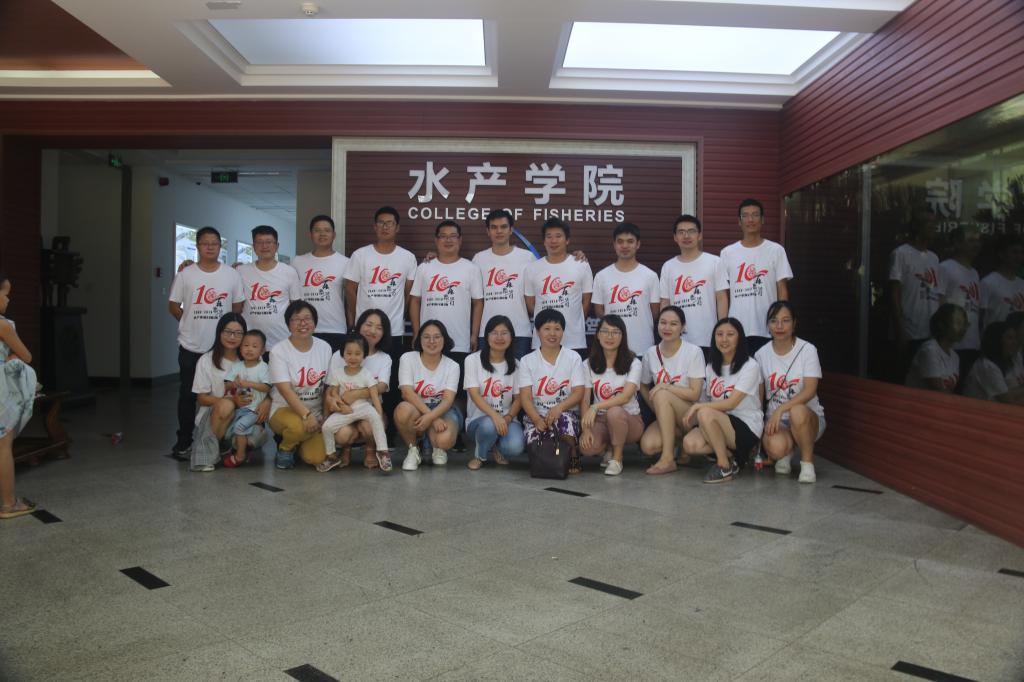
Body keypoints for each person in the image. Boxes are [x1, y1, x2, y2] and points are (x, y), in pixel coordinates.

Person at [168, 226, 244, 459]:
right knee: (188, 395)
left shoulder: (231, 275)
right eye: (205, 243)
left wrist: (227, 334)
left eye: (214, 243)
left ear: (220, 247)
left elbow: (237, 307)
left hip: (222, 348)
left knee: (226, 394)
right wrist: (189, 322)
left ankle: (224, 439)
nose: (210, 247)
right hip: (191, 345)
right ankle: (184, 442)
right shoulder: (186, 274)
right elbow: (173, 305)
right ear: (198, 246)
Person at [681, 318, 764, 484]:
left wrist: (698, 407)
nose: (724, 339)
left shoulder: (750, 366)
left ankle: (723, 466)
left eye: (730, 334)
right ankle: (734, 458)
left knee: (704, 412)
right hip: (720, 420)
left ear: (739, 338)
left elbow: (731, 404)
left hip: (746, 424)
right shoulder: (711, 366)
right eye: (719, 334)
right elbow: (708, 398)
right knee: (690, 444)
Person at [754, 301, 826, 484]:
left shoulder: (807, 350)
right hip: (777, 422)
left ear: (794, 324)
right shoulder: (761, 354)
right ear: (768, 325)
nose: (779, 326)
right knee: (776, 448)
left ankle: (807, 463)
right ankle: (786, 452)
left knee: (797, 411)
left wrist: (781, 409)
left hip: (808, 419)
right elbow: (759, 397)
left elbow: (810, 390)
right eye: (774, 321)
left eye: (785, 320)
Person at [190, 315, 269, 471]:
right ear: (219, 332)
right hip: (214, 417)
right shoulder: (206, 360)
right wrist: (233, 401)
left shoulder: (253, 359)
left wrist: (267, 401)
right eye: (227, 332)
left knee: (257, 435)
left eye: (238, 333)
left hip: (242, 415)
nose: (232, 337)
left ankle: (229, 447)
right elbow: (202, 398)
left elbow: (268, 385)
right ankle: (212, 449)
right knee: (226, 405)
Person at [638, 306, 706, 475]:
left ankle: (667, 459)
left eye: (674, 324)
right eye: (663, 322)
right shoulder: (650, 353)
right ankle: (679, 442)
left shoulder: (694, 352)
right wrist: (657, 407)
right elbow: (643, 385)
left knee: (662, 393)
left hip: (691, 413)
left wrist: (666, 387)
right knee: (648, 446)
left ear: (683, 327)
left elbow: (695, 393)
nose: (667, 328)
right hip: (667, 412)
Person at [410, 220, 483, 376]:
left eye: (453, 236)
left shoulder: (471, 268)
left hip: (459, 342)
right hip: (428, 342)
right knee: (428, 386)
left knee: (457, 387)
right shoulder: (424, 267)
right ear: (436, 240)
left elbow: (478, 303)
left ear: (460, 240)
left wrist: (474, 335)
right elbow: (415, 301)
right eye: (443, 236)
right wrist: (417, 333)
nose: (448, 240)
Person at [719, 199, 793, 353]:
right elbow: (723, 295)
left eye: (755, 215)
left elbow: (782, 288)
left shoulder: (776, 250)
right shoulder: (727, 253)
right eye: (745, 216)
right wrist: (723, 326)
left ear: (763, 219)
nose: (750, 220)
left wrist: (781, 322)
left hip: (768, 328)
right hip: (736, 329)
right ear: (739, 221)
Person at [518, 309, 587, 473]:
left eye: (557, 329)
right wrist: (536, 419)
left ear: (563, 331)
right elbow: (525, 397)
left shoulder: (573, 358)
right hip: (537, 415)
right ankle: (548, 461)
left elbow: (578, 392)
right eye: (547, 329)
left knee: (565, 422)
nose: (552, 333)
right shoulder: (527, 361)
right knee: (537, 441)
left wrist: (559, 408)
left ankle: (573, 454)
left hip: (565, 412)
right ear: (537, 332)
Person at [268, 301, 333, 469]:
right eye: (296, 319)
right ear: (288, 324)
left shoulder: (325, 347)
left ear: (315, 322)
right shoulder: (278, 351)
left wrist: (325, 416)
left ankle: (298, 441)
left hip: (315, 414)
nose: (302, 323)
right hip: (284, 410)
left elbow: (327, 387)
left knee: (317, 458)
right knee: (298, 428)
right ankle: (286, 448)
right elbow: (285, 390)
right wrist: (306, 415)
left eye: (307, 318)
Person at [579, 315, 643, 476]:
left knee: (614, 412)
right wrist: (586, 430)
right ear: (597, 335)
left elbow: (625, 397)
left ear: (623, 336)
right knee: (587, 448)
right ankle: (608, 448)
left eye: (615, 332)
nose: (610, 336)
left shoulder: (633, 362)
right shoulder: (587, 364)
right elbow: (585, 399)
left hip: (629, 420)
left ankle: (617, 458)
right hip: (601, 420)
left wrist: (596, 406)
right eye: (605, 331)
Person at [332, 308, 394, 469]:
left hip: (369, 408)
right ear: (359, 325)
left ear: (384, 333)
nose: (372, 331)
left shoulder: (384, 358)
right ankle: (345, 449)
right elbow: (330, 388)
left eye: (379, 328)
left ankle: (370, 450)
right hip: (344, 409)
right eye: (368, 324)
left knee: (371, 425)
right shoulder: (340, 354)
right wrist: (336, 404)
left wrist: (356, 394)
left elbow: (382, 386)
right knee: (343, 434)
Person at [319, 335, 391, 473]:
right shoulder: (338, 373)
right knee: (326, 427)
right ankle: (332, 456)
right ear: (343, 354)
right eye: (349, 353)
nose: (353, 357)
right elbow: (333, 392)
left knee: (376, 418)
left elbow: (374, 395)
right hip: (345, 410)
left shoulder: (366, 374)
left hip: (363, 407)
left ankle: (383, 452)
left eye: (357, 354)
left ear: (364, 355)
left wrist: (379, 414)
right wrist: (340, 405)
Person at [396, 320, 462, 471]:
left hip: (442, 409)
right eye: (426, 337)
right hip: (416, 408)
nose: (431, 341)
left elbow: (448, 400)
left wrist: (431, 416)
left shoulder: (453, 366)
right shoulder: (408, 358)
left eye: (437, 337)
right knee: (403, 410)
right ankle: (413, 450)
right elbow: (406, 392)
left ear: (444, 339)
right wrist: (432, 417)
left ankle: (437, 447)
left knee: (445, 440)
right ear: (419, 339)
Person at [472, 209, 537, 359]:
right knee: (488, 374)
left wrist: (575, 257)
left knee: (520, 374)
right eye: (494, 227)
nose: (499, 231)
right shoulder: (479, 259)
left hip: (520, 332)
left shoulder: (527, 258)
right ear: (488, 231)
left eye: (503, 227)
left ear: (511, 230)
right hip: (487, 332)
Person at [659, 214, 729, 353]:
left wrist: (722, 330)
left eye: (691, 231)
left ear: (699, 235)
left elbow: (722, 298)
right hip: (677, 339)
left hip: (707, 338)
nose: (686, 236)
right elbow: (665, 302)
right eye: (681, 232)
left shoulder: (714, 262)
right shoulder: (668, 266)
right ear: (675, 237)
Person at [463, 315, 524, 470]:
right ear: (486, 336)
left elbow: (518, 399)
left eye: (504, 333)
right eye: (494, 333)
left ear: (511, 337)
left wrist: (508, 417)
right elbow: (474, 394)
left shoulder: (517, 365)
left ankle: (495, 446)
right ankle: (480, 455)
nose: (499, 337)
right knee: (489, 425)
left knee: (515, 447)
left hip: (506, 420)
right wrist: (495, 416)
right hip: (479, 421)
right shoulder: (472, 360)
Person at [524, 218, 593, 355]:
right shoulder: (532, 268)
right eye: (549, 237)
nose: (553, 241)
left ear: (567, 240)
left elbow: (586, 301)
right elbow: (531, 304)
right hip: (541, 341)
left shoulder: (581, 265)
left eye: (558, 236)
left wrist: (575, 322)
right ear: (544, 241)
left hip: (574, 340)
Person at [0, 274, 38, 519]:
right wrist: (11, 357)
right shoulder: (4, 325)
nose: (8, 299)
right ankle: (8, 504)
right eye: (5, 294)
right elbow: (26, 356)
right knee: (3, 446)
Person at [591, 223, 660, 356]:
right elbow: (599, 311)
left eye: (630, 241)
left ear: (638, 244)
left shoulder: (650, 276)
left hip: (643, 347)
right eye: (620, 241)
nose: (625, 246)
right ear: (614, 245)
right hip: (612, 347)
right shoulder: (601, 276)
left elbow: (655, 312)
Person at [888, 215, 941, 377]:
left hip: (930, 332)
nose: (933, 227)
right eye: (929, 223)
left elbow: (936, 294)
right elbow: (894, 291)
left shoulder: (934, 258)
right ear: (917, 227)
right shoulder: (901, 253)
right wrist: (900, 328)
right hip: (909, 332)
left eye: (935, 223)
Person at [237, 225, 302, 353]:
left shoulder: (289, 272)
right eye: (259, 242)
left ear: (277, 246)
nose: (264, 246)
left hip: (281, 341)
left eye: (268, 242)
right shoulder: (241, 271)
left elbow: (296, 308)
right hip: (250, 343)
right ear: (253, 246)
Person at [291, 214, 350, 352]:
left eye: (327, 230)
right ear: (310, 235)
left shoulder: (346, 262)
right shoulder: (297, 262)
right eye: (317, 230)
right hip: (304, 328)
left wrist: (351, 325)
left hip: (335, 329)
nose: (322, 234)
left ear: (334, 235)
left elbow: (350, 298)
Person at [221, 329, 273, 468]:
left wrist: (248, 383)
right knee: (229, 431)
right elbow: (226, 385)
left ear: (263, 350)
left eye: (255, 346)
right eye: (246, 345)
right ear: (240, 347)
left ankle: (240, 456)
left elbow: (267, 387)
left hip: (254, 410)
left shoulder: (264, 367)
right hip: (240, 409)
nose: (249, 349)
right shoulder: (236, 366)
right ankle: (241, 450)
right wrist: (233, 384)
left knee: (239, 427)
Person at [938, 227, 982, 378]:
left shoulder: (975, 273)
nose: (976, 245)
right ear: (957, 243)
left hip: (973, 342)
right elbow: (939, 301)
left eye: (977, 241)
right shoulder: (945, 267)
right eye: (971, 240)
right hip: (953, 343)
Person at [905, 303, 968, 393]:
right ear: (942, 325)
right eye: (958, 323)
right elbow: (938, 390)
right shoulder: (930, 350)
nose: (963, 329)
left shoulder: (955, 357)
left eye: (964, 324)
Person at [963, 321, 1024, 404]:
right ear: (997, 340)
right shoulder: (986, 366)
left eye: (1015, 338)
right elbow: (1009, 400)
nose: (1015, 342)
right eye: (1010, 338)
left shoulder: (1009, 363)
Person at [980, 233, 1024, 329]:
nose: (1019, 257)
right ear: (1001, 254)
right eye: (1014, 252)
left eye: (1021, 253)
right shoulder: (988, 282)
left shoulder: (1022, 284)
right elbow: (980, 318)